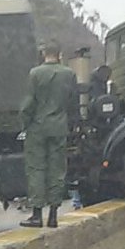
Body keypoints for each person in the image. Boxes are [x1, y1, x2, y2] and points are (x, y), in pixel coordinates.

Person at [19, 41, 78, 228]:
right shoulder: (69, 74)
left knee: (36, 169)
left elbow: (28, 103)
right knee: (57, 170)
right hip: (59, 127)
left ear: (44, 54)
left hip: (37, 128)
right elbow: (73, 103)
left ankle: (37, 214)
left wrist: (24, 124)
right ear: (60, 54)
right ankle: (53, 215)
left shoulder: (35, 73)